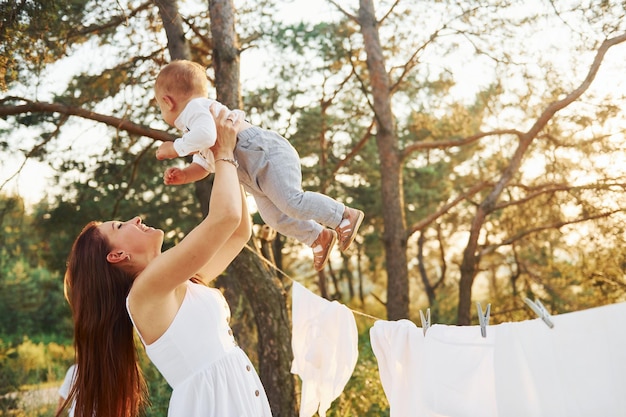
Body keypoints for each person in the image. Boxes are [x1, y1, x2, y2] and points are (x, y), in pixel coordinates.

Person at [61, 106, 272, 417]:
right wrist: (224, 151)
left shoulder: (176, 283)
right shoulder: (146, 291)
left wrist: (222, 157)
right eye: (120, 226)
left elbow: (239, 231)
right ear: (117, 256)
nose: (135, 219)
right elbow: (225, 217)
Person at [154, 59, 364, 271]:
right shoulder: (194, 129)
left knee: (292, 201)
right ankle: (318, 236)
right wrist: (185, 174)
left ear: (167, 101)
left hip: (265, 154)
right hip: (253, 173)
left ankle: (343, 215)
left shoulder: (195, 108)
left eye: (160, 108)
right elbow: (204, 163)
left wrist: (174, 148)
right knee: (274, 217)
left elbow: (207, 136)